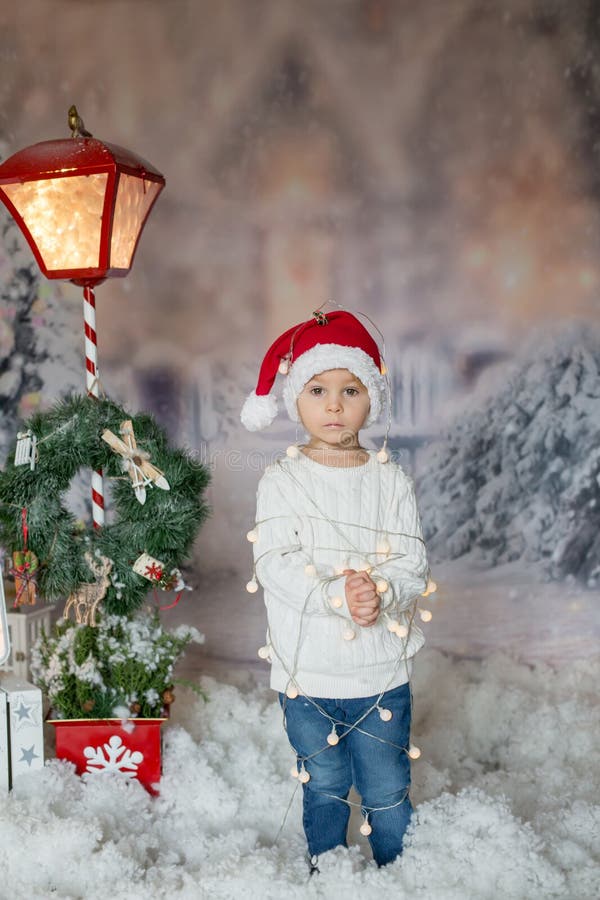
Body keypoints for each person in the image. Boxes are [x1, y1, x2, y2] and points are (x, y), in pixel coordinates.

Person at [241, 309, 430, 871]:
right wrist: (334, 595)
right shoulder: (282, 479)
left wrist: (380, 590)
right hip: (308, 673)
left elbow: (411, 559)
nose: (333, 405)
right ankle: (329, 867)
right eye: (317, 389)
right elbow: (275, 560)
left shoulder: (389, 479)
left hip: (379, 673)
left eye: (351, 390)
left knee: (386, 781)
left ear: (372, 399)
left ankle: (398, 869)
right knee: (323, 779)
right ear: (295, 398)